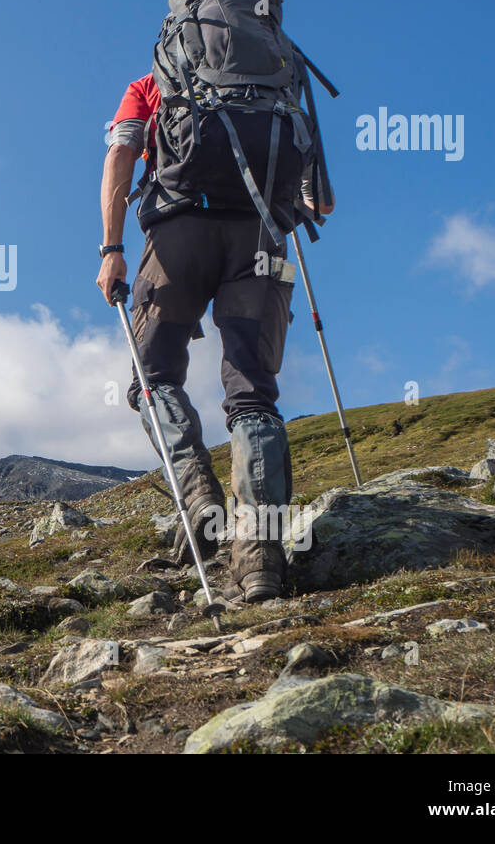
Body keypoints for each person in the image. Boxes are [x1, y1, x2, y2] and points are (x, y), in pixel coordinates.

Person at [96, 53, 334, 604]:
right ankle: (261, 566)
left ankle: (197, 495)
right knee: (253, 394)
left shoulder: (151, 85)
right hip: (261, 239)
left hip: (178, 235)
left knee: (152, 378)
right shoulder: (278, 80)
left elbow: (121, 154)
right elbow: (319, 200)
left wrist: (112, 249)